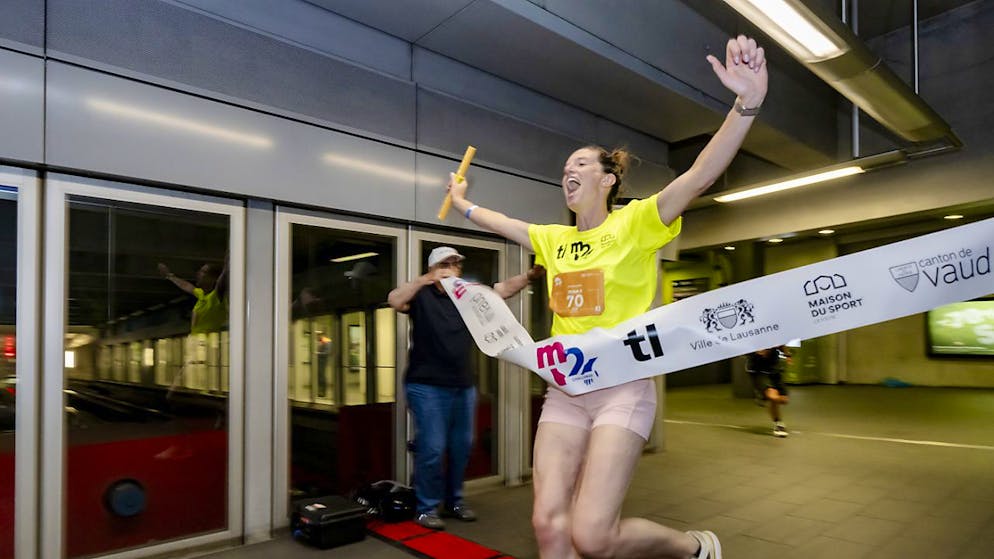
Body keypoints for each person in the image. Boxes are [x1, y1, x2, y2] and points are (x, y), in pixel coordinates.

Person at [445, 35, 767, 559]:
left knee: (593, 535)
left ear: (609, 178)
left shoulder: (637, 223)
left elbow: (700, 174)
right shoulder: (555, 240)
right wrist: (462, 204)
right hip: (565, 390)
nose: (567, 172)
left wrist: (745, 103)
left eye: (580, 165)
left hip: (624, 386)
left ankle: (691, 548)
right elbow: (502, 222)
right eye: (564, 169)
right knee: (549, 525)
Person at [388, 246, 545, 530]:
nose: (453, 269)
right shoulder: (421, 295)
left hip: (463, 385)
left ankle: (455, 500)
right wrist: (425, 279)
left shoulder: (468, 297)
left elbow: (502, 290)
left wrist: (530, 275)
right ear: (434, 269)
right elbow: (394, 300)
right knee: (433, 448)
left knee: (462, 446)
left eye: (456, 264)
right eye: (446, 264)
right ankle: (426, 507)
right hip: (426, 385)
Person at [158, 254, 230, 334]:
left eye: (204, 272)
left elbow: (223, 278)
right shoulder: (201, 294)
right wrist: (169, 276)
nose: (198, 273)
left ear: (213, 279)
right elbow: (185, 285)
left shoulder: (216, 296)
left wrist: (228, 262)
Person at [746, 345, 791, 437]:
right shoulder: (750, 336)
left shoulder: (772, 332)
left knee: (784, 400)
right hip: (758, 370)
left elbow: (780, 344)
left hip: (773, 368)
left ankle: (762, 397)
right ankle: (779, 424)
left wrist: (787, 355)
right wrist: (757, 351)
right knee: (773, 397)